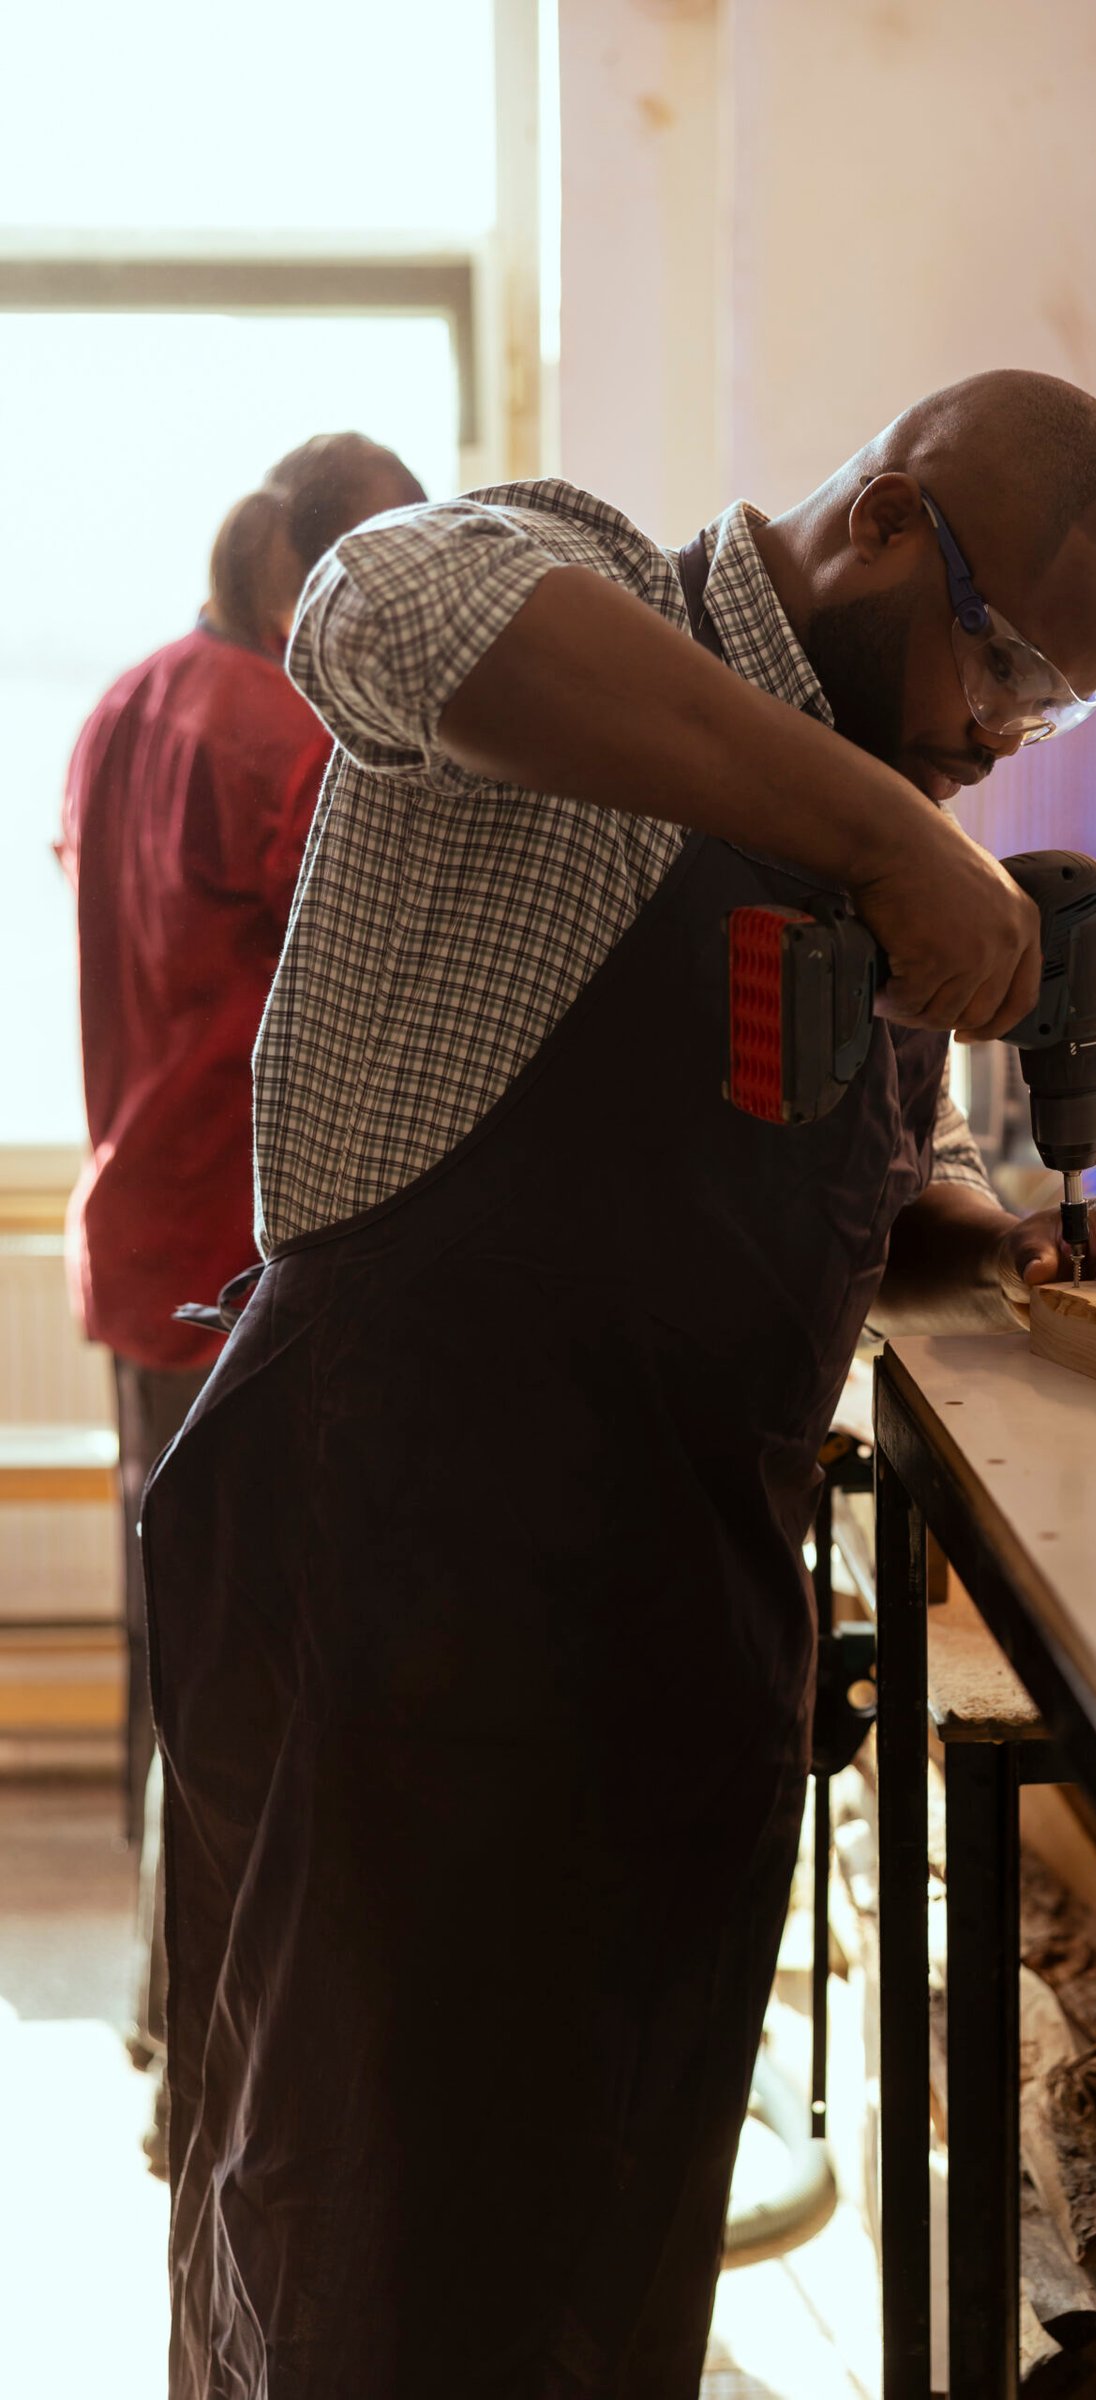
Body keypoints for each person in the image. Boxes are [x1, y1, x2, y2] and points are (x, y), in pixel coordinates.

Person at [145, 369, 1096, 2395]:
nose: (990, 737)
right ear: (883, 519)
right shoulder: (571, 609)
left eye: (1042, 708)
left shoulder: (863, 849)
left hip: (649, 1693)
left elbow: (834, 1178)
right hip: (403, 1666)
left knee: (588, 2304)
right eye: (996, 666)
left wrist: (977, 1230)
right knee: (356, 2283)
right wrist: (883, 828)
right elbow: (376, 607)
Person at [57, 431, 426, 2135]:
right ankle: (216, 2064)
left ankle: (170, 2029)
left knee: (176, 1655)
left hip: (139, 1229)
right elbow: (372, 961)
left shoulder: (125, 703)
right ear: (329, 572)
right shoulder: (288, 735)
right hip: (240, 1254)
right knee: (254, 1680)